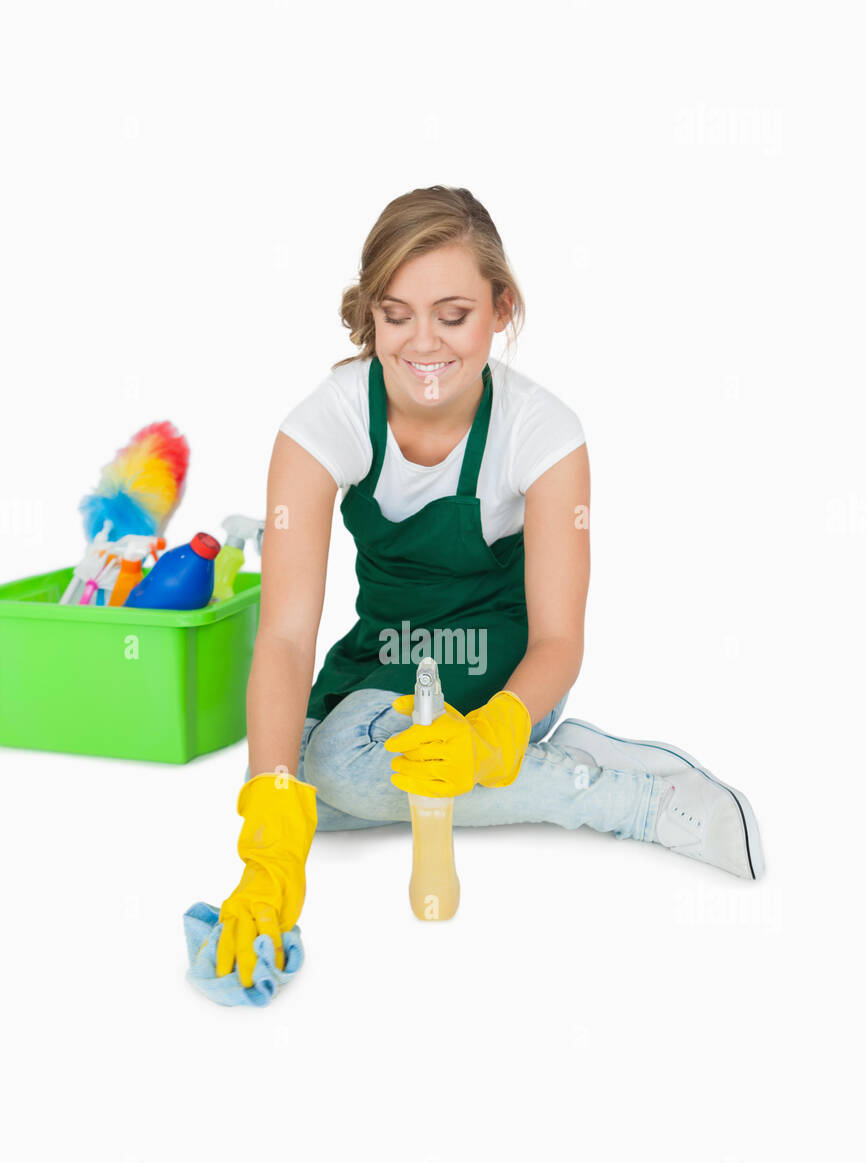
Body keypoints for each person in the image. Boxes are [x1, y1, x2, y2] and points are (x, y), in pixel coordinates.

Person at [216, 185, 764, 987]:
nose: (422, 344)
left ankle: (627, 797)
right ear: (370, 316)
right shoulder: (322, 424)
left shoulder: (542, 432)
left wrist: (494, 732)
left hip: (503, 667)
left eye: (454, 313)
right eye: (396, 314)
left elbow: (559, 640)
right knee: (298, 777)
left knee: (345, 770)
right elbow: (288, 638)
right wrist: (266, 825)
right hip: (385, 657)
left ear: (500, 309)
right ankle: (532, 764)